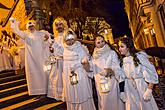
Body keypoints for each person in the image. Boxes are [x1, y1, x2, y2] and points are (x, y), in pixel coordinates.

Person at [54, 28, 96, 110]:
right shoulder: (63, 48)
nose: (70, 41)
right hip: (68, 74)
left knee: (81, 92)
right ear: (65, 40)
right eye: (68, 40)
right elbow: (56, 52)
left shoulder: (79, 47)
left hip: (79, 72)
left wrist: (79, 64)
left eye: (72, 39)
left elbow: (84, 58)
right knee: (71, 93)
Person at [9, 18, 50, 99]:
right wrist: (14, 23)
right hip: (31, 60)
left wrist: (47, 38)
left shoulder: (41, 33)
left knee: (43, 74)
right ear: (27, 28)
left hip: (41, 58)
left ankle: (46, 91)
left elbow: (48, 41)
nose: (31, 27)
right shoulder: (26, 35)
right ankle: (38, 92)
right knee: (34, 75)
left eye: (32, 26)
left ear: (35, 26)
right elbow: (16, 31)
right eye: (29, 26)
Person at [118, 36, 159, 110]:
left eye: (122, 46)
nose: (119, 49)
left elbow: (151, 71)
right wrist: (122, 91)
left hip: (141, 86)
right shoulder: (122, 61)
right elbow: (121, 77)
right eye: (119, 47)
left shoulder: (139, 57)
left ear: (128, 47)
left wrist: (149, 89)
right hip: (129, 89)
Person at [91, 35, 125, 110]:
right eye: (98, 42)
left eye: (102, 41)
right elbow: (91, 69)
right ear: (95, 44)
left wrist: (110, 71)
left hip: (111, 81)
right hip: (100, 84)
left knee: (114, 101)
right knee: (104, 103)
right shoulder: (94, 56)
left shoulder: (111, 53)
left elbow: (117, 68)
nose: (101, 43)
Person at [47, 17, 68, 100]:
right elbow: (55, 50)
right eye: (57, 25)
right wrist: (52, 49)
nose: (59, 27)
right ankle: (58, 95)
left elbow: (64, 49)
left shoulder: (66, 36)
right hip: (57, 61)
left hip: (64, 61)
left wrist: (54, 44)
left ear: (64, 25)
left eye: (60, 25)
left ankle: (66, 95)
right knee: (55, 78)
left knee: (64, 78)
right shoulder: (55, 38)